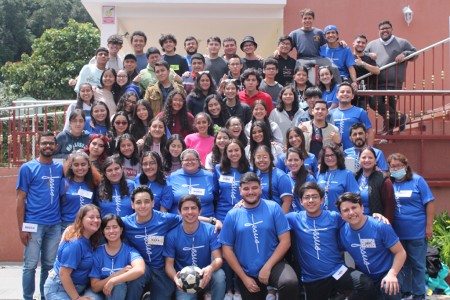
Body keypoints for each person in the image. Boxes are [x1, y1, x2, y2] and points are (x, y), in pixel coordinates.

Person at [287, 182, 377, 300]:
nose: (311, 200)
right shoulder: (293, 218)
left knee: (366, 285)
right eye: (307, 197)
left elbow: (357, 218)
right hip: (313, 278)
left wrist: (376, 217)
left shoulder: (334, 217)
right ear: (301, 201)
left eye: (314, 197)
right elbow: (271, 223)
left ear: (322, 200)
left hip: (337, 271)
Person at [219, 172, 299, 300]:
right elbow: (227, 250)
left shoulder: (273, 208)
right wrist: (244, 278)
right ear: (240, 191)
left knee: (289, 282)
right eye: (246, 189)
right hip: (247, 271)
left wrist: (267, 267)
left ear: (261, 188)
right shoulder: (232, 215)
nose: (251, 192)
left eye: (254, 188)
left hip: (274, 264)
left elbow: (285, 241)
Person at [16, 131, 64, 300]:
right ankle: (28, 297)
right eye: (44, 143)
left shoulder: (59, 168)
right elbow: (20, 199)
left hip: (55, 225)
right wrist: (21, 228)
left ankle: (45, 296)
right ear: (39, 146)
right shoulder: (28, 168)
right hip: (34, 224)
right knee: (29, 265)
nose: (48, 146)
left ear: (56, 146)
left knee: (49, 265)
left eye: (51, 143)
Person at [336, 192, 407, 300]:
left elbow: (400, 252)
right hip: (366, 278)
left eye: (354, 207)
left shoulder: (380, 226)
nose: (351, 212)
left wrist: (392, 274)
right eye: (346, 210)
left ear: (362, 208)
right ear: (341, 215)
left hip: (388, 272)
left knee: (388, 287)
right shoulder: (343, 233)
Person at [387, 153, 435, 300]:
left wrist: (429, 226)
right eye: (392, 166)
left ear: (406, 166)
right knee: (403, 265)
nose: (396, 168)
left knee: (418, 265)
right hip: (398, 233)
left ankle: (419, 293)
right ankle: (406, 292)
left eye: (399, 166)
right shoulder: (390, 183)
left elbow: (430, 203)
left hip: (417, 232)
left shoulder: (417, 180)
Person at [164, 194, 226, 300]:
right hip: (185, 281)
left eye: (193, 208)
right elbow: (168, 265)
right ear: (179, 212)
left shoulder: (210, 230)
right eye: (185, 209)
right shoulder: (172, 235)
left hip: (206, 276)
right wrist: (175, 278)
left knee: (219, 275)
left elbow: (218, 259)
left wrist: (210, 269)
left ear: (200, 211)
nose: (190, 212)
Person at [366, 20, 416, 134]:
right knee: (375, 103)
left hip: (394, 82)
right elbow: (361, 56)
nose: (385, 30)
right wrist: (368, 55)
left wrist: (405, 54)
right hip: (376, 82)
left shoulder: (402, 42)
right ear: (378, 31)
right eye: (382, 28)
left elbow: (415, 53)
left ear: (392, 29)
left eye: (387, 28)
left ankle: (387, 134)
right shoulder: (371, 45)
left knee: (389, 108)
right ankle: (401, 119)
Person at [43, 204, 102, 300]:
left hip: (78, 288)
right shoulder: (75, 244)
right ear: (81, 219)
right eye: (91, 217)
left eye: (98, 217)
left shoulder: (89, 240)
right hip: (59, 289)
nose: (96, 220)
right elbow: (64, 274)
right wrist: (77, 298)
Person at [86, 214, 146, 300]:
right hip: (99, 294)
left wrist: (113, 281)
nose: (111, 231)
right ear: (103, 231)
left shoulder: (129, 251)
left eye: (115, 227)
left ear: (121, 230)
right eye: (107, 228)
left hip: (118, 294)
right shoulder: (97, 252)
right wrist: (115, 275)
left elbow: (140, 270)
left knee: (119, 286)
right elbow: (95, 287)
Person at [166, 149, 217, 217]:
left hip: (207, 220)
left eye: (193, 159)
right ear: (181, 162)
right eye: (186, 160)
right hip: (179, 221)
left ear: (199, 161)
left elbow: (217, 197)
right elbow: (166, 201)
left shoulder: (210, 176)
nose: (190, 162)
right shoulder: (173, 177)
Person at [61, 152, 101, 230]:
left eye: (83, 164)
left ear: (89, 165)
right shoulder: (63, 183)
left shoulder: (94, 183)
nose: (80, 168)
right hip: (67, 226)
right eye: (76, 165)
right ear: (71, 166)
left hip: (87, 226)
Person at [355, 147, 395, 223]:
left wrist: (385, 226)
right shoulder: (355, 177)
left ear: (375, 161)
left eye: (370, 157)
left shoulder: (384, 180)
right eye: (363, 157)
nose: (367, 160)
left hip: (375, 223)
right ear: (359, 159)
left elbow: (389, 207)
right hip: (356, 222)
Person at [329, 82, 374, 150]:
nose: (345, 94)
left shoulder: (360, 112)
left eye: (348, 92)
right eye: (342, 92)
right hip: (335, 153)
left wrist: (370, 149)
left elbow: (369, 131)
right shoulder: (330, 113)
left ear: (352, 96)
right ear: (337, 95)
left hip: (354, 152)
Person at [316, 143, 359, 212]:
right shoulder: (320, 174)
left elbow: (354, 197)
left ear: (338, 156)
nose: (330, 158)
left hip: (340, 217)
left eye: (333, 155)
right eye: (327, 155)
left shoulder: (347, 174)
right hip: (321, 216)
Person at [252, 145, 293, 214]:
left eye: (265, 157)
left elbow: (287, 201)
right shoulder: (255, 175)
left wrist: (280, 220)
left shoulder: (280, 176)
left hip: (275, 217)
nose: (261, 160)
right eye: (258, 157)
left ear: (271, 158)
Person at [352, 34, 380, 108]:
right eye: (358, 42)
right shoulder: (348, 56)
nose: (360, 44)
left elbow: (377, 71)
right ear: (353, 44)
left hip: (364, 92)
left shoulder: (369, 58)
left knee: (362, 114)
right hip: (350, 91)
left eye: (363, 43)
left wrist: (362, 63)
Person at [284, 148, 316, 212]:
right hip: (290, 218)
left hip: (304, 218)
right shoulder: (284, 178)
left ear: (302, 162)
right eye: (290, 160)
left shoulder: (309, 178)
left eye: (296, 160)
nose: (293, 163)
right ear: (285, 162)